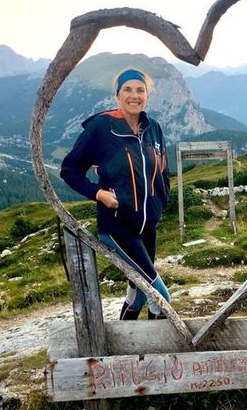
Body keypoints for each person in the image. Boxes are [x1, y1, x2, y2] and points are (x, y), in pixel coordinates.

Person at [60, 68, 171, 320]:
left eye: (140, 90)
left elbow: (163, 171)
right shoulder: (101, 127)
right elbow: (70, 170)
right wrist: (99, 194)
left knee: (140, 293)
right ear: (117, 96)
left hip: (147, 227)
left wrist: (160, 202)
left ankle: (126, 344)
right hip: (117, 227)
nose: (135, 95)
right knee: (160, 297)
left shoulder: (153, 128)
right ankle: (157, 350)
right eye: (128, 90)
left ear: (147, 95)